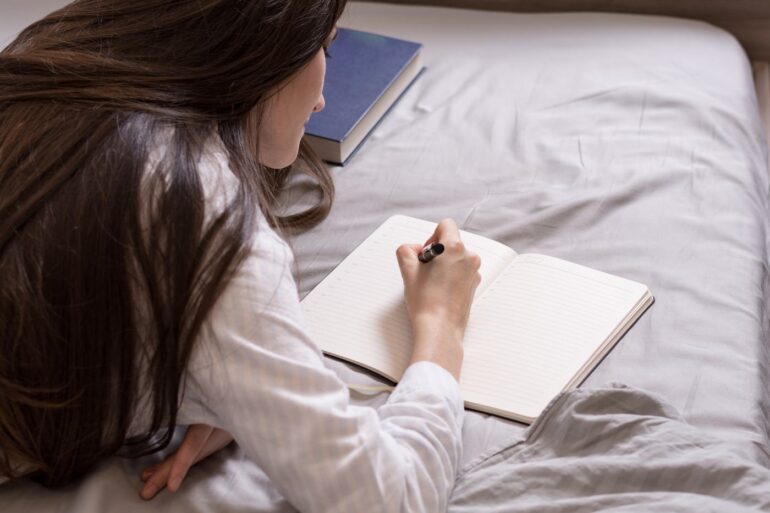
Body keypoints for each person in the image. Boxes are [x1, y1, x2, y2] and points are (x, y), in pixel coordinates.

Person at [0, 1, 482, 512]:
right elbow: (388, 499)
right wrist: (441, 327)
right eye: (326, 47)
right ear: (263, 47)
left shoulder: (44, 62)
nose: (323, 100)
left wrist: (215, 392)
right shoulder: (210, 226)